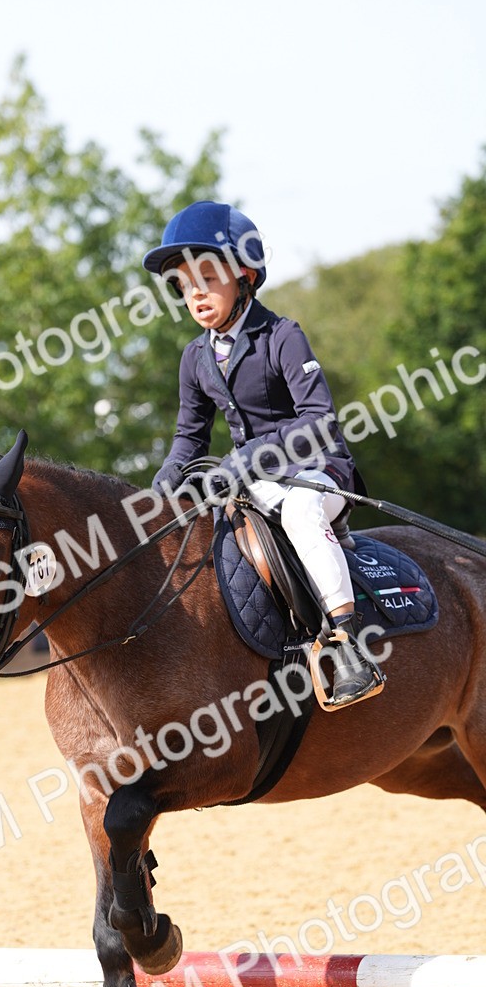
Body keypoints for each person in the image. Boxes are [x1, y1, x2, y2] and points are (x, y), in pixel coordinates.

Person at [144, 200, 380, 708]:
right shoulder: (195, 357)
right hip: (254, 484)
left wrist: (247, 459)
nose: (195, 293)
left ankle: (349, 645)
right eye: (184, 284)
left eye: (208, 278)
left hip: (318, 474)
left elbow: (320, 420)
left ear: (245, 276)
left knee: (300, 510)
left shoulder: (282, 336)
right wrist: (167, 479)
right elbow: (189, 437)